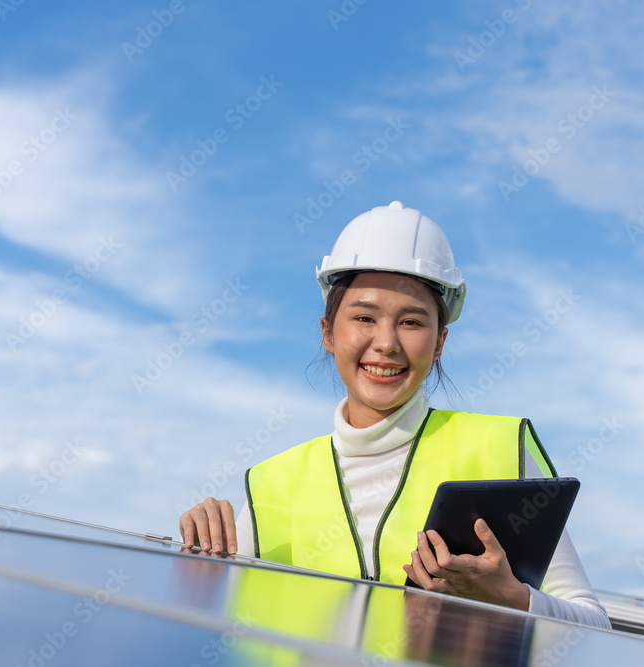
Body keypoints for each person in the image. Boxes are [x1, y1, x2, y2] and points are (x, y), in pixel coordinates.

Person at [179, 201, 610, 629]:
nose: (386, 343)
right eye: (364, 316)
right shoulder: (269, 487)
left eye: (411, 322)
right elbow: (227, 633)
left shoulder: (499, 449)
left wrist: (512, 599)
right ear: (328, 333)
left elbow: (595, 629)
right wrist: (205, 550)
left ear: (439, 342)